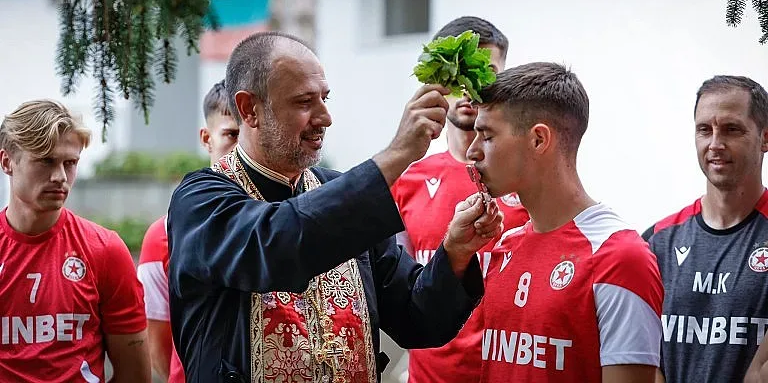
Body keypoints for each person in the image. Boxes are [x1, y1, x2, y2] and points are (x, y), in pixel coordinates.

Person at [166, 31, 504, 382]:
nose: (325, 117)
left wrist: (455, 252)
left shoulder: (339, 194)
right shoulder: (200, 200)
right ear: (250, 109)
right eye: (303, 102)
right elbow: (279, 241)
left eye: (325, 99)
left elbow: (418, 319)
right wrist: (396, 155)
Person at [459, 62, 663, 382]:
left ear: (539, 140)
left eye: (486, 136)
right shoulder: (503, 247)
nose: (471, 152)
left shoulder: (619, 256)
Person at [390, 16, 529, 383]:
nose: (468, 87)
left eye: (483, 72)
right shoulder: (404, 181)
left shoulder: (530, 178)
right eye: (455, 74)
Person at [0, 100, 151, 382]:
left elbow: (135, 374)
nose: (60, 177)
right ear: (7, 161)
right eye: (45, 160)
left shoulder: (104, 250)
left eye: (70, 163)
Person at [642, 76, 768, 383]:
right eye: (704, 130)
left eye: (731, 129)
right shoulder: (656, 241)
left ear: (765, 138)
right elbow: (640, 358)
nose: (715, 144)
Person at [137, 79, 238, 382]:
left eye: (248, 135)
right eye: (231, 135)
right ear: (207, 138)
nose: (240, 148)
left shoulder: (279, 221)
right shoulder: (162, 234)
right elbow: (158, 342)